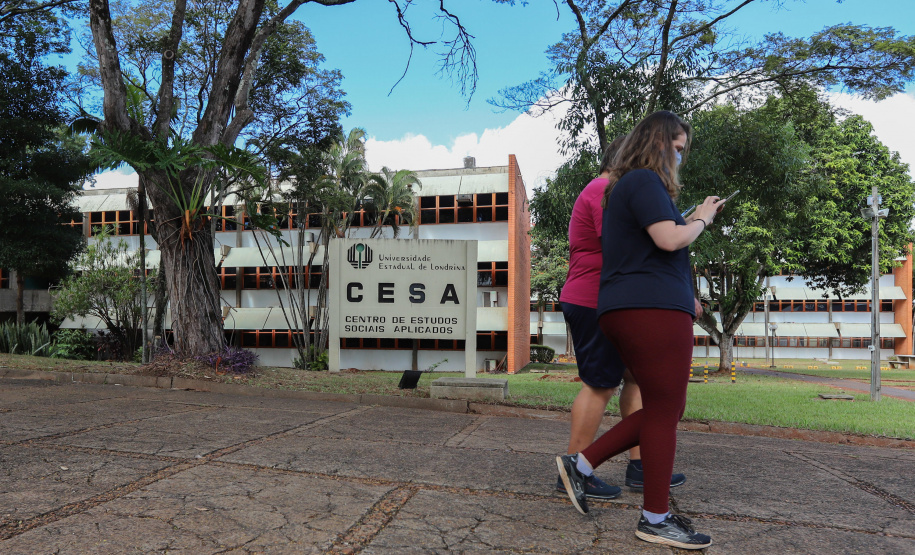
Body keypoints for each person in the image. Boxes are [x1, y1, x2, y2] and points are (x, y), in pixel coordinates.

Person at [557, 110, 722, 550]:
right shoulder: (644, 182)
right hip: (648, 307)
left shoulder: (623, 188)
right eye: (679, 149)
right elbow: (670, 240)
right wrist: (702, 218)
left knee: (663, 408)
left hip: (633, 305)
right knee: (665, 408)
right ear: (660, 142)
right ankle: (654, 518)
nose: (680, 158)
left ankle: (583, 465)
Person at [556, 137, 687, 502]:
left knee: (636, 380)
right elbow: (619, 242)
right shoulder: (604, 189)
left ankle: (640, 465)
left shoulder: (612, 190)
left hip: (610, 298)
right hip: (592, 299)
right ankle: (574, 468)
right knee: (599, 383)